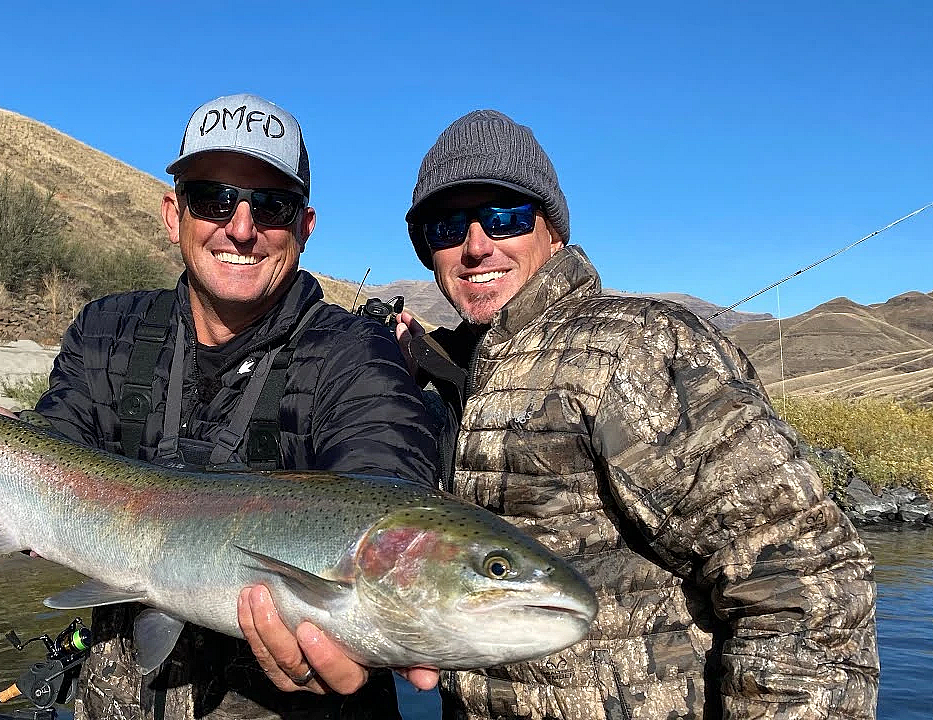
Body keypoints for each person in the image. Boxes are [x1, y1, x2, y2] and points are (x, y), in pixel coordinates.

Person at [243, 110, 880, 719]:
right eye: (446, 228)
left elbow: (807, 575)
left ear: (552, 229)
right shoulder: (450, 376)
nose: (475, 245)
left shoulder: (637, 350)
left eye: (504, 216)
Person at [0, 93, 443, 720]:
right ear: (173, 213)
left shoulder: (354, 353)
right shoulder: (109, 330)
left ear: (304, 227)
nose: (241, 227)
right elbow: (58, 441)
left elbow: (388, 469)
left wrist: (393, 584)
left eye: (270, 206)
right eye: (213, 199)